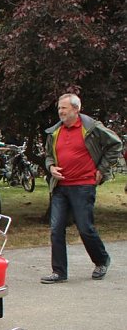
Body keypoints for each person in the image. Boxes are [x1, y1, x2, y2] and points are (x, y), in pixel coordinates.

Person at [41, 94, 122, 284]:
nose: (60, 111)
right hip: (60, 187)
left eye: (64, 108)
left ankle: (101, 260)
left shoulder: (91, 127)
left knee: (85, 228)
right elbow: (48, 155)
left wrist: (101, 169)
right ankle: (59, 272)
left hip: (83, 186)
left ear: (76, 109)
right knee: (56, 230)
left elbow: (116, 145)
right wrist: (51, 167)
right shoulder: (55, 131)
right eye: (59, 108)